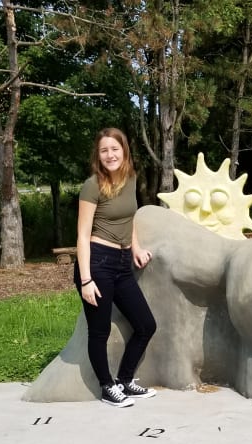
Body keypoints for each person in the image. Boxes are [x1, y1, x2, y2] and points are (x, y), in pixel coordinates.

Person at [74, 128, 157, 407]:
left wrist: (135, 248)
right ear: (98, 156)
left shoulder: (131, 179)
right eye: (104, 150)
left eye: (114, 149)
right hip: (97, 263)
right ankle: (106, 386)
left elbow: (128, 220)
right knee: (99, 332)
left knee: (146, 325)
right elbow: (82, 236)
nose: (110, 155)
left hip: (122, 265)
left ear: (124, 151)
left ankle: (124, 380)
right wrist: (86, 280)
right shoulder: (92, 185)